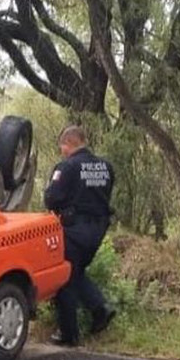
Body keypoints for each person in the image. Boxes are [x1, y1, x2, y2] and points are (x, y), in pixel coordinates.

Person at [44, 125, 116, 346]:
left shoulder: (67, 167)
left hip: (74, 229)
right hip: (98, 229)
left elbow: (52, 199)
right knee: (74, 272)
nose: (62, 151)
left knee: (64, 275)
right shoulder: (106, 167)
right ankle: (100, 309)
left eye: (62, 147)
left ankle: (69, 334)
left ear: (68, 144)